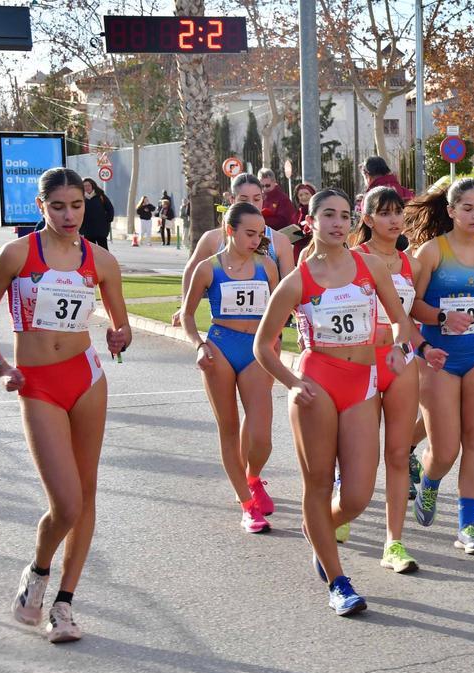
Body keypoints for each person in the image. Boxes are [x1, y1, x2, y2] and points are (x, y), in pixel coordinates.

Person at [0, 167, 131, 642]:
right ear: (40, 206)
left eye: (76, 205)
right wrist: (1, 365)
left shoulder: (100, 260)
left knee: (87, 494)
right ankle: (38, 573)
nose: (68, 214)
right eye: (57, 206)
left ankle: (64, 603)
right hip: (37, 383)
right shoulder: (19, 253)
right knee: (65, 503)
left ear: (87, 205)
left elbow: (120, 327)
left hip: (86, 377)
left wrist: (119, 335)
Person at [254, 188, 415, 616]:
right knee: (319, 483)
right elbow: (263, 347)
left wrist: (402, 347)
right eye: (328, 215)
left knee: (359, 494)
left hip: (363, 381)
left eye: (344, 215)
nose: (338, 223)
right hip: (317, 383)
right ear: (311, 221)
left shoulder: (371, 265)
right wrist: (290, 382)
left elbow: (401, 319)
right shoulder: (298, 280)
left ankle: (319, 529)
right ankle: (338, 580)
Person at [404, 178, 474, 555]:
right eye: (466, 208)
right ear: (451, 211)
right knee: (446, 448)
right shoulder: (432, 252)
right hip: (438, 356)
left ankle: (468, 526)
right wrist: (441, 316)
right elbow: (410, 306)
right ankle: (431, 483)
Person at [352, 186, 448, 571]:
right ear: (368, 218)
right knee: (359, 454)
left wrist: (425, 348)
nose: (394, 219)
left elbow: (407, 319)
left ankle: (394, 543)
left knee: (395, 453)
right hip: (358, 364)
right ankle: (342, 504)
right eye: (385, 213)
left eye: (398, 212)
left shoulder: (410, 264)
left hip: (402, 364)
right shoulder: (352, 259)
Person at [181, 202, 280, 534]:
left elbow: (277, 313)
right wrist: (198, 345)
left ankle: (253, 477)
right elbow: (187, 315)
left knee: (262, 434)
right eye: (249, 234)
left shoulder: (267, 266)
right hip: (220, 347)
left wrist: (275, 340)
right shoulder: (208, 269)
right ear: (230, 230)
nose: (256, 240)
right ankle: (247, 505)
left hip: (255, 351)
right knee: (229, 427)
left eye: (260, 234)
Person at [171, 173, 294, 328]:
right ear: (232, 200)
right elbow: (191, 269)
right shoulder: (212, 239)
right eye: (244, 199)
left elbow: (290, 286)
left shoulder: (280, 241)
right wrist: (185, 307)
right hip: (224, 333)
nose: (251, 204)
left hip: (264, 331)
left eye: (257, 199)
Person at [79, 178, 114, 249]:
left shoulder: (100, 196)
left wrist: (107, 220)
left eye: (88, 185)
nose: (87, 188)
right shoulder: (80, 198)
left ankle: (105, 260)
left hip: (101, 229)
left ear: (92, 186)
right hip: (88, 230)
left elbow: (110, 209)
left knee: (103, 250)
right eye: (85, 186)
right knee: (90, 250)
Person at [292, 182, 318, 263]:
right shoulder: (297, 213)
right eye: (300, 195)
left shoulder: (317, 212)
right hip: (298, 252)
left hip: (312, 250)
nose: (304, 197)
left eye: (307, 194)